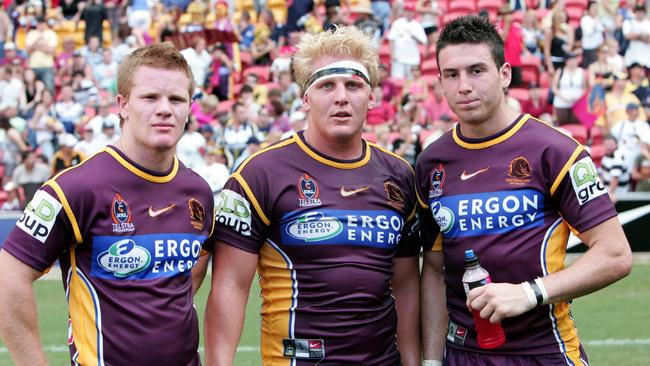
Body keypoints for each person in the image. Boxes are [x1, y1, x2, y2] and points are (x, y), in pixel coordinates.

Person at [416, 16, 632, 366]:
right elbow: (436, 270)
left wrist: (531, 293)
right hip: (462, 355)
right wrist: (431, 360)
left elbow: (615, 254)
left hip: (544, 350)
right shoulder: (430, 163)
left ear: (504, 74)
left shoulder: (556, 151)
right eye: (452, 75)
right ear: (440, 81)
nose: (464, 86)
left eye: (477, 70)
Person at [205, 26, 421, 365]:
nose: (341, 97)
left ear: (372, 97)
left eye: (353, 85)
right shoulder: (259, 174)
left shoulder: (400, 175)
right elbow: (231, 286)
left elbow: (407, 285)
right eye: (326, 86)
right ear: (305, 98)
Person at [0, 42, 215, 366]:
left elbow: (195, 266)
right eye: (150, 97)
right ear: (122, 104)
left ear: (189, 107)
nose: (164, 109)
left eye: (176, 99)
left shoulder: (198, 192)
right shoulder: (76, 188)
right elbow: (8, 275)